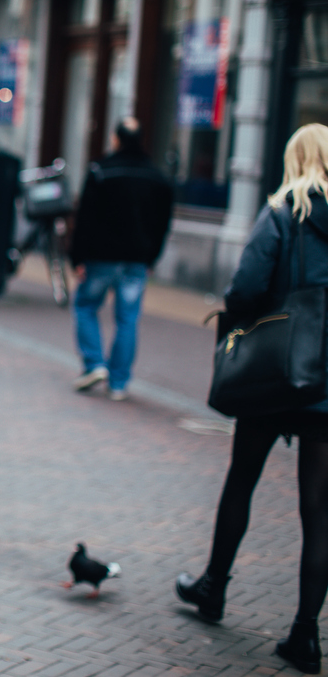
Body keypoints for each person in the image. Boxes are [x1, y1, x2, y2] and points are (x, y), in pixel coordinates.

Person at [175, 124, 328, 674]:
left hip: (275, 372)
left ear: (294, 160)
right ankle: (305, 634)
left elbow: (244, 288)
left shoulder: (282, 213)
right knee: (319, 510)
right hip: (326, 385)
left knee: (242, 479)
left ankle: (212, 588)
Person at [68, 117, 174, 401]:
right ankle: (118, 382)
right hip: (136, 259)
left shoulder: (101, 171)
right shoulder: (157, 177)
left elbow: (84, 218)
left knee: (85, 306)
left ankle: (94, 363)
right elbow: (163, 224)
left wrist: (77, 257)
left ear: (115, 139)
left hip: (101, 257)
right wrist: (151, 258)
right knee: (127, 318)